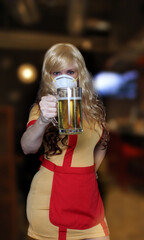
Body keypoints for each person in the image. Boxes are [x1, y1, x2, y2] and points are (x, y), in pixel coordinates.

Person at [20, 43, 110, 240]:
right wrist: (43, 120)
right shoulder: (42, 108)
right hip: (51, 194)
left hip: (86, 197)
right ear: (49, 76)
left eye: (70, 71)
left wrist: (91, 172)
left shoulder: (94, 108)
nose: (65, 78)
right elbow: (27, 147)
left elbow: (103, 141)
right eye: (56, 73)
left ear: (80, 73)